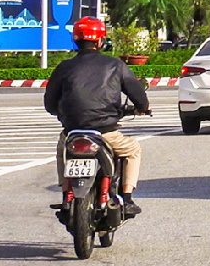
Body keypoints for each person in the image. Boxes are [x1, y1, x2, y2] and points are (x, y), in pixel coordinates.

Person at [43, 17, 152, 214]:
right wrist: (142, 107)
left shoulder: (64, 67)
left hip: (72, 132)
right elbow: (138, 95)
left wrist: (62, 113)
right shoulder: (115, 65)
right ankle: (126, 199)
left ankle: (66, 194)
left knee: (63, 151)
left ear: (76, 39)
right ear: (100, 41)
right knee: (133, 150)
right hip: (105, 132)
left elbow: (49, 103)